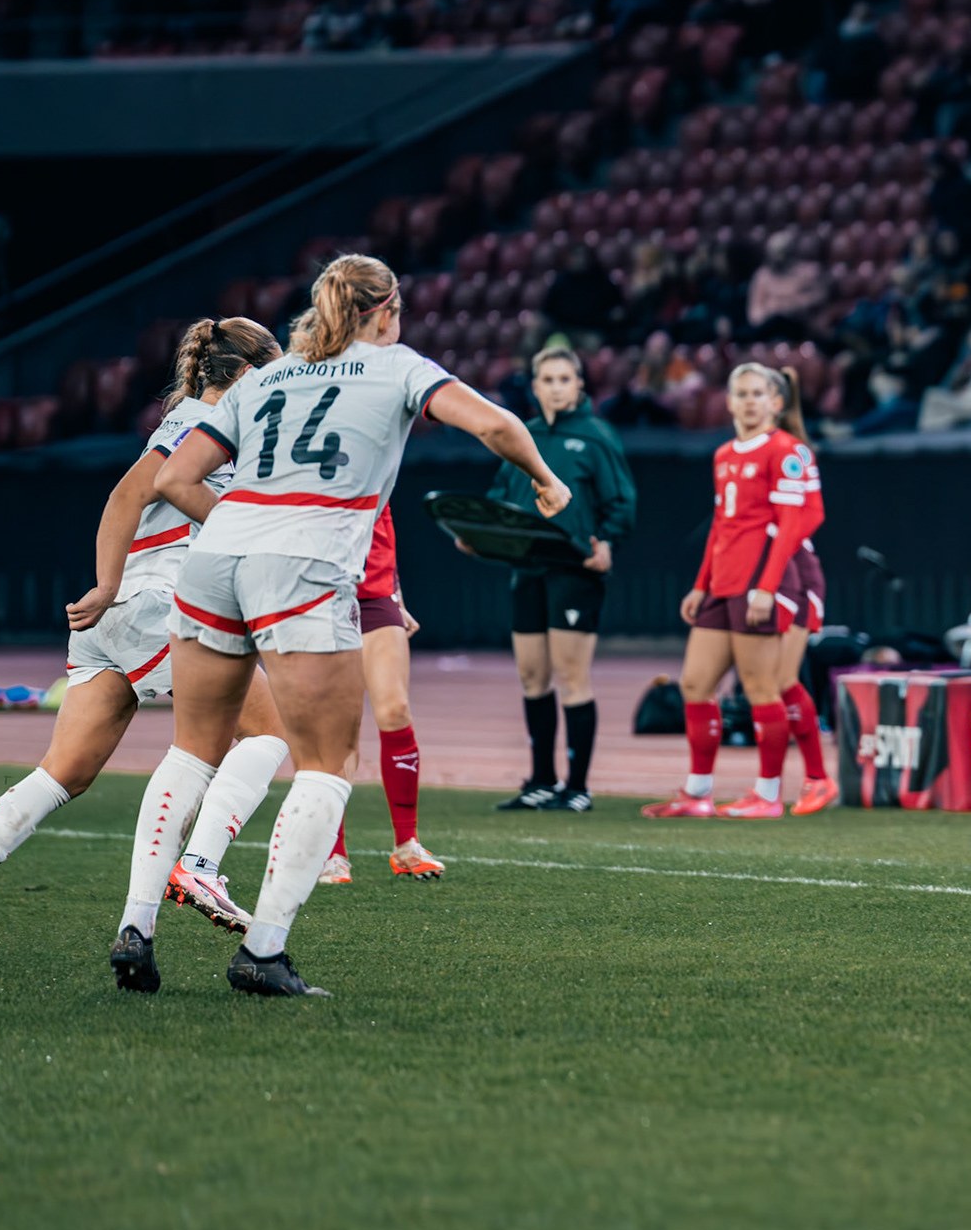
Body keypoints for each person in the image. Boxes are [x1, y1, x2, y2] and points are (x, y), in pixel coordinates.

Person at [130, 253, 568, 997]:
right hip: (301, 564)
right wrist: (545, 479)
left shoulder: (266, 375)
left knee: (191, 754)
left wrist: (240, 526)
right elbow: (494, 424)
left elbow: (173, 479)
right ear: (384, 310)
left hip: (214, 561)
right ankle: (263, 953)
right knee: (326, 762)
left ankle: (134, 929)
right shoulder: (394, 365)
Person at [0, 319, 293, 950]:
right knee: (271, 729)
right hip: (156, 604)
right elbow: (124, 496)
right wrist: (108, 585)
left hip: (117, 621)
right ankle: (198, 868)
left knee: (63, 772)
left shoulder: (199, 421)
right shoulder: (206, 422)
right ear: (249, 374)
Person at [642, 363, 824, 819]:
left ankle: (768, 795)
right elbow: (722, 525)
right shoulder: (723, 454)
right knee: (694, 685)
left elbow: (791, 527)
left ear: (775, 402)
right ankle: (698, 792)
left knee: (764, 688)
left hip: (759, 582)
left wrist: (766, 587)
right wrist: (700, 584)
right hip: (722, 582)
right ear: (727, 400)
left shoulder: (786, 450)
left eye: (757, 393)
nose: (747, 400)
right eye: (740, 393)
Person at [492, 346, 637, 813]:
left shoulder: (597, 437)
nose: (555, 387)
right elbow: (499, 497)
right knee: (532, 675)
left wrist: (608, 542)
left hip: (575, 570)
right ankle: (540, 780)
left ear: (579, 386)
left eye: (564, 379)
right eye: (547, 379)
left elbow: (622, 502)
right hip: (527, 569)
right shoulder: (522, 436)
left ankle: (577, 787)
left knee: (572, 676)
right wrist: (476, 534)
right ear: (534, 387)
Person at [311, 503, 443, 884]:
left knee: (395, 709)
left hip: (375, 593)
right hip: (321, 594)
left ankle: (407, 845)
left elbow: (382, 523)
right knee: (338, 723)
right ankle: (332, 852)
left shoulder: (379, 451)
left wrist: (397, 596)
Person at [768, 367, 837, 814]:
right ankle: (789, 781)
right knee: (767, 682)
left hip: (793, 573)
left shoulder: (789, 452)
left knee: (778, 681)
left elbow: (804, 520)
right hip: (765, 573)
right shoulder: (743, 452)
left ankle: (814, 778)